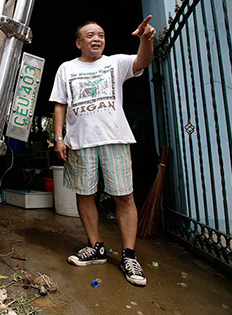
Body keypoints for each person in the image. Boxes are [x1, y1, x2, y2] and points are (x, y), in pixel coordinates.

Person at [49, 16, 155, 286]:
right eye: (90, 35)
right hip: (80, 142)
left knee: (124, 196)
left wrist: (146, 40)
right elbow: (60, 104)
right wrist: (58, 137)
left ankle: (129, 255)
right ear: (78, 43)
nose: (97, 39)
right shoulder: (66, 69)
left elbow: (142, 62)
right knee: (85, 194)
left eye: (101, 35)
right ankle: (95, 247)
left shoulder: (115, 62)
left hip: (114, 138)